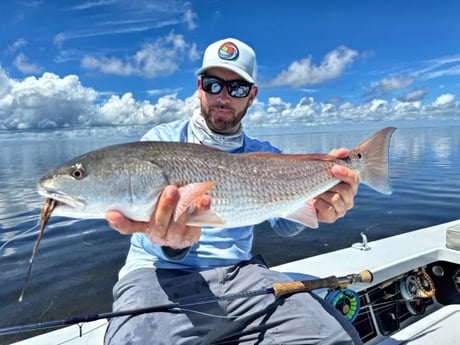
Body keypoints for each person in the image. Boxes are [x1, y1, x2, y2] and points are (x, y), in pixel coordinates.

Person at [104, 38, 362, 345]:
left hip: (243, 275)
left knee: (334, 339)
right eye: (213, 85)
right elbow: (147, 221)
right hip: (157, 273)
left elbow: (283, 223)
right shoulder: (160, 141)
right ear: (199, 87)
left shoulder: (266, 154)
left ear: (251, 96)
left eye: (236, 88)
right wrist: (172, 246)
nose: (223, 97)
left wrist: (318, 205)